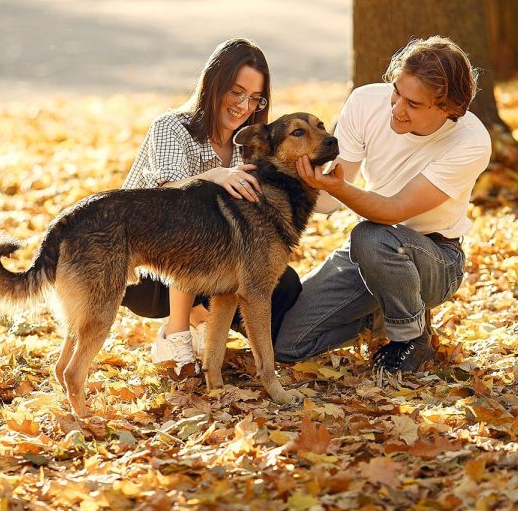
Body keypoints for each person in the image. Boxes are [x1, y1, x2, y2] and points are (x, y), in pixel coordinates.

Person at [274, 36, 492, 383]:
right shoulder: (365, 101)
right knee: (287, 345)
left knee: (372, 235)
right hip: (366, 254)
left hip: (434, 256)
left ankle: (411, 337)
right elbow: (329, 198)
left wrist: (340, 188)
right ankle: (384, 312)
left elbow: (394, 210)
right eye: (396, 92)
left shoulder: (470, 141)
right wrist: (299, 180)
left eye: (414, 104)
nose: (397, 109)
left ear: (449, 107)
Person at [121, 37, 302, 377]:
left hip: (211, 266)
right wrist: (216, 175)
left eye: (254, 98)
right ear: (213, 84)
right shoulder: (171, 126)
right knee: (193, 220)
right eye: (236, 92)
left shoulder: (248, 143)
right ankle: (176, 333)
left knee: (284, 285)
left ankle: (200, 318)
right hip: (146, 267)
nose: (244, 105)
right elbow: (166, 195)